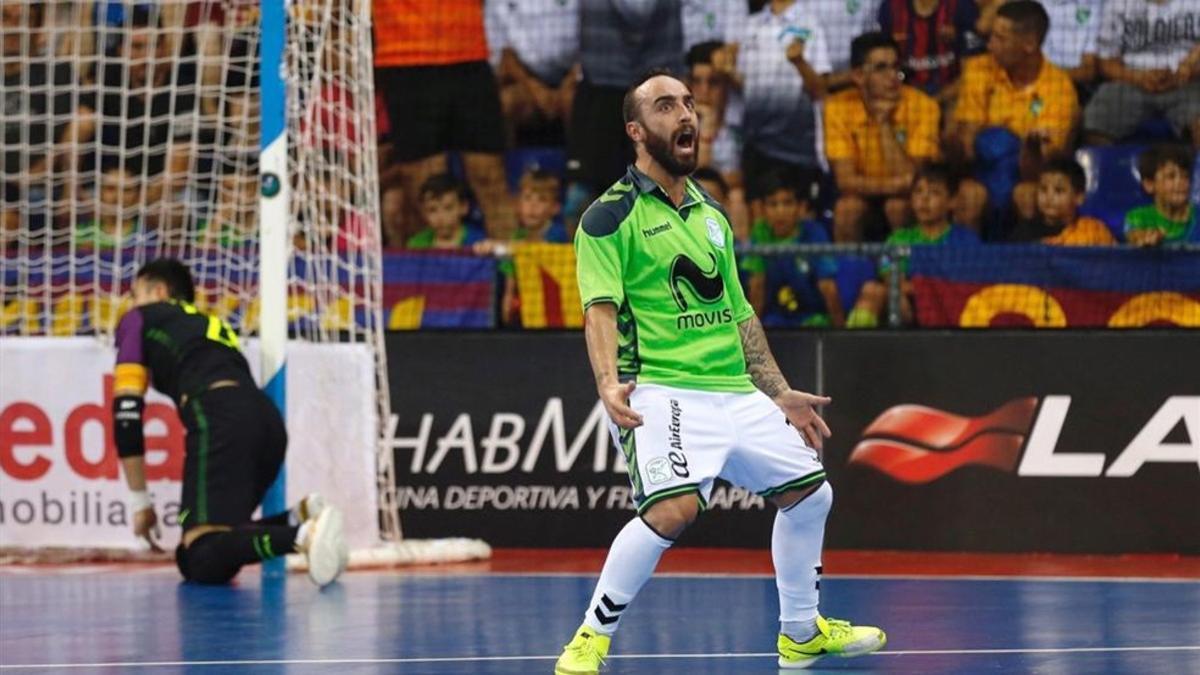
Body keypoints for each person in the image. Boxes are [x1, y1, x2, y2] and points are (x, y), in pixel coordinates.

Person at [555, 71, 885, 675]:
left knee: (812, 495)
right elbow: (597, 311)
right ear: (636, 131)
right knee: (672, 511)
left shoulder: (711, 213)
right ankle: (590, 639)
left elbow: (738, 313)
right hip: (661, 386)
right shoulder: (608, 218)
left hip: (734, 390)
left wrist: (780, 391)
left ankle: (801, 633)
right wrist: (607, 382)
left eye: (688, 103)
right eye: (665, 106)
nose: (685, 115)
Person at [112, 259, 348, 586]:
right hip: (265, 422)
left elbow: (125, 415)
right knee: (205, 558)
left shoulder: (139, 318)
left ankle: (303, 534)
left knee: (201, 554)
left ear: (159, 291)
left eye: (134, 293)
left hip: (219, 416)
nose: (131, 303)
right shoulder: (205, 323)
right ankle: (297, 517)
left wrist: (140, 502)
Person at [373, 0, 514, 241]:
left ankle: (513, 269)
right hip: (405, 58)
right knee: (424, 189)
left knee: (489, 177)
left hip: (468, 53)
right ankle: (428, 274)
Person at [948, 0, 1078, 231]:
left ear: (1029, 44)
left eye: (1000, 39)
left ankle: (1027, 263)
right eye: (992, 36)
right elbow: (967, 152)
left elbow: (1042, 169)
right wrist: (957, 140)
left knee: (1027, 195)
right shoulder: (979, 69)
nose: (990, 45)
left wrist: (1030, 149)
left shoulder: (1058, 86)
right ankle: (968, 263)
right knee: (969, 194)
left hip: (1027, 176)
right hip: (981, 173)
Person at [825, 32, 941, 242]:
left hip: (905, 198)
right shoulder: (837, 107)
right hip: (862, 195)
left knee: (897, 207)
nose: (892, 76)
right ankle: (852, 273)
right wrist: (896, 184)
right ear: (859, 76)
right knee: (847, 208)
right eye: (881, 68)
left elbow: (914, 180)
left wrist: (884, 124)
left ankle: (908, 271)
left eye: (895, 67)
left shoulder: (923, 106)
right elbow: (845, 180)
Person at [846, 163, 979, 327]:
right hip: (908, 309)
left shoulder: (966, 241)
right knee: (873, 290)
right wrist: (926, 287)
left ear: (951, 201)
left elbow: (962, 286)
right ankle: (855, 346)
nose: (924, 199)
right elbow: (892, 280)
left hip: (948, 311)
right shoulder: (898, 239)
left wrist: (922, 287)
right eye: (918, 191)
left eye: (934, 193)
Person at [1084, 0, 1200, 149]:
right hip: (1131, 81)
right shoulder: (1117, 3)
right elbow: (1105, 62)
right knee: (1094, 121)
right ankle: (1102, 171)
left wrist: (1190, 69)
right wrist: (1137, 77)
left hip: (1189, 85)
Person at [741, 171, 842, 327]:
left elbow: (827, 287)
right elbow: (757, 285)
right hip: (774, 320)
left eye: (787, 203)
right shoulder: (760, 233)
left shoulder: (814, 233)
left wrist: (840, 332)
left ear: (800, 207)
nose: (780, 212)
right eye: (773, 204)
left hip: (812, 319)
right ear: (763, 209)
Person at [1007, 157, 1116, 245]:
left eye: (1059, 191)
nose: (1049, 197)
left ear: (1079, 198)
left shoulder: (1094, 231)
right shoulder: (1024, 234)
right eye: (1043, 189)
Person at [1124, 144, 1198, 246]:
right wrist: (1143, 239)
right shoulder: (1139, 217)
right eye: (1171, 176)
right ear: (1149, 184)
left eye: (1185, 176)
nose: (1181, 182)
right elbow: (1134, 236)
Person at [405, 173, 486, 249]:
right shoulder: (416, 245)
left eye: (448, 208)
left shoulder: (479, 244)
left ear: (463, 207)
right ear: (424, 213)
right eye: (432, 210)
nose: (440, 218)